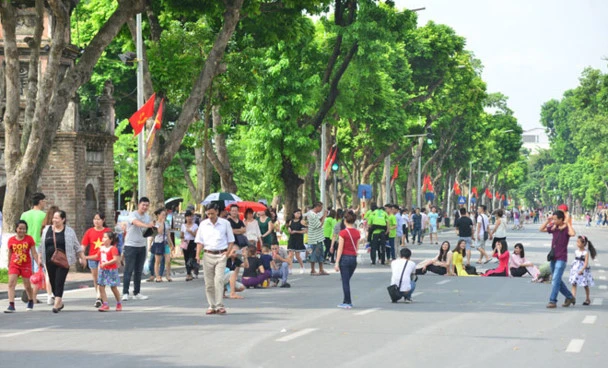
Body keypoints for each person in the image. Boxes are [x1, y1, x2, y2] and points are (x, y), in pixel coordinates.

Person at [39, 210, 86, 313]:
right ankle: (59, 300)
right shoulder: (47, 229)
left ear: (63, 219)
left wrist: (82, 257)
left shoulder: (69, 231)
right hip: (49, 260)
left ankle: (57, 302)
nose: (54, 220)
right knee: (52, 280)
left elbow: (76, 246)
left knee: (59, 280)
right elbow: (41, 245)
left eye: (57, 218)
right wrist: (39, 257)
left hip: (64, 260)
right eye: (53, 218)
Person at [195, 202, 235, 315]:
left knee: (219, 280)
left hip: (221, 255)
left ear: (217, 212)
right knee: (209, 283)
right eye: (208, 214)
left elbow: (231, 240)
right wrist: (198, 255)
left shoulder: (225, 223)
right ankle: (211, 305)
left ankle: (219, 305)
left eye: (212, 213)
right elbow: (199, 241)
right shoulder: (203, 224)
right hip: (208, 254)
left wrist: (227, 253)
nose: (210, 216)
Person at [540, 210, 576, 308]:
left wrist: (568, 223)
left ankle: (553, 301)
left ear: (561, 219)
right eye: (553, 219)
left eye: (556, 219)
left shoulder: (566, 229)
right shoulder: (554, 228)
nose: (554, 221)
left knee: (555, 279)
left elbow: (573, 234)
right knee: (557, 280)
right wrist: (548, 221)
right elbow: (541, 229)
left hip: (562, 258)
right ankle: (569, 296)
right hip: (553, 257)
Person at [122, 197, 155, 301]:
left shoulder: (147, 217)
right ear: (139, 205)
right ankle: (125, 292)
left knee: (138, 270)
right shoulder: (133, 214)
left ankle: (137, 292)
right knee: (128, 270)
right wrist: (147, 225)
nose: (145, 207)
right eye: (143, 205)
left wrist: (153, 227)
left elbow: (148, 231)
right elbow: (136, 223)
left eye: (147, 205)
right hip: (130, 245)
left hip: (142, 246)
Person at [20, 192, 49, 305]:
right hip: (38, 246)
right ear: (40, 201)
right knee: (38, 272)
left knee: (28, 271)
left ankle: (28, 293)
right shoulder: (43, 215)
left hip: (25, 246)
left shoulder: (24, 215)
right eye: (44, 201)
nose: (45, 203)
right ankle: (33, 297)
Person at [5, 220, 39, 313]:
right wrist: (9, 263)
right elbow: (10, 253)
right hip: (14, 264)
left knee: (27, 285)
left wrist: (38, 262)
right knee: (11, 283)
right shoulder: (11, 240)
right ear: (16, 229)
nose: (22, 231)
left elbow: (34, 253)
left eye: (24, 229)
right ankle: (11, 305)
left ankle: (30, 300)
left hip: (26, 265)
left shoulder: (29, 239)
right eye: (20, 228)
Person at [81, 212, 110, 308]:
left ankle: (99, 297)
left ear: (103, 220)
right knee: (95, 278)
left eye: (98, 219)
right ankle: (99, 296)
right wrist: (81, 256)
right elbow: (83, 245)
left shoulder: (107, 231)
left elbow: (112, 245)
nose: (96, 221)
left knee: (101, 277)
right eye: (95, 219)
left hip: (104, 258)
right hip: (92, 258)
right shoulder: (89, 232)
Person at [334, 210, 360, 309]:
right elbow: (357, 248)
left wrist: (337, 262)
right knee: (346, 280)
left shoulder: (343, 233)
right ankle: (346, 300)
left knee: (345, 281)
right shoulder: (357, 233)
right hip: (353, 259)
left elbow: (340, 248)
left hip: (344, 258)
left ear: (345, 220)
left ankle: (348, 301)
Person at [97, 231, 122, 312]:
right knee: (101, 286)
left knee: (113, 287)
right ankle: (105, 304)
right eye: (103, 237)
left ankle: (119, 303)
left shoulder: (113, 248)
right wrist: (86, 257)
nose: (103, 239)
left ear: (110, 239)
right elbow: (97, 256)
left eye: (105, 237)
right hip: (102, 270)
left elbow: (115, 259)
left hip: (111, 270)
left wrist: (106, 263)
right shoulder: (101, 248)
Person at [569, 236, 597, 306]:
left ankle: (587, 299)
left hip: (583, 270)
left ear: (583, 243)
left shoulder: (585, 252)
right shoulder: (576, 251)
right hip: (575, 269)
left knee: (585, 285)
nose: (577, 243)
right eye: (577, 242)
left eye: (578, 242)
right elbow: (575, 261)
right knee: (574, 283)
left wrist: (582, 270)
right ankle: (573, 298)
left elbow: (586, 263)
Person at [151, 208, 174, 282]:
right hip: (158, 243)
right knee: (158, 261)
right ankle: (157, 276)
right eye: (163, 215)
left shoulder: (167, 223)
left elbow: (168, 234)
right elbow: (160, 232)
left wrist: (171, 244)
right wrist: (161, 223)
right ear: (158, 215)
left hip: (165, 243)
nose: (164, 216)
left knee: (168, 260)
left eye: (165, 215)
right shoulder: (155, 224)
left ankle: (168, 275)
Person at [306, 202, 328, 275]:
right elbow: (319, 225)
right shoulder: (312, 215)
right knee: (314, 254)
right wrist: (324, 216)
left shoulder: (314, 214)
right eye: (321, 207)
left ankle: (321, 269)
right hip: (314, 238)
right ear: (317, 207)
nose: (321, 209)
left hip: (318, 237)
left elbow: (319, 220)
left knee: (320, 254)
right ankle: (313, 270)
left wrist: (323, 216)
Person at [181, 210, 199, 281]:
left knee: (191, 258)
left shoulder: (195, 226)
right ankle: (188, 274)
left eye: (191, 216)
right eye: (188, 216)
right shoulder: (183, 225)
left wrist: (191, 232)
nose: (189, 218)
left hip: (193, 242)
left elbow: (197, 236)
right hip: (186, 242)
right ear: (185, 218)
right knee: (186, 258)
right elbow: (181, 235)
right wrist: (182, 242)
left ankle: (192, 270)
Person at [287, 209, 307, 273]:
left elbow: (305, 231)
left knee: (297, 256)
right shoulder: (291, 221)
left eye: (299, 213)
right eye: (297, 213)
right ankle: (290, 269)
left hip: (298, 239)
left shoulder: (302, 221)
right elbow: (289, 228)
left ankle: (302, 266)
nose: (298, 214)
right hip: (292, 239)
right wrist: (289, 230)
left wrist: (296, 231)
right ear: (294, 214)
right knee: (290, 255)